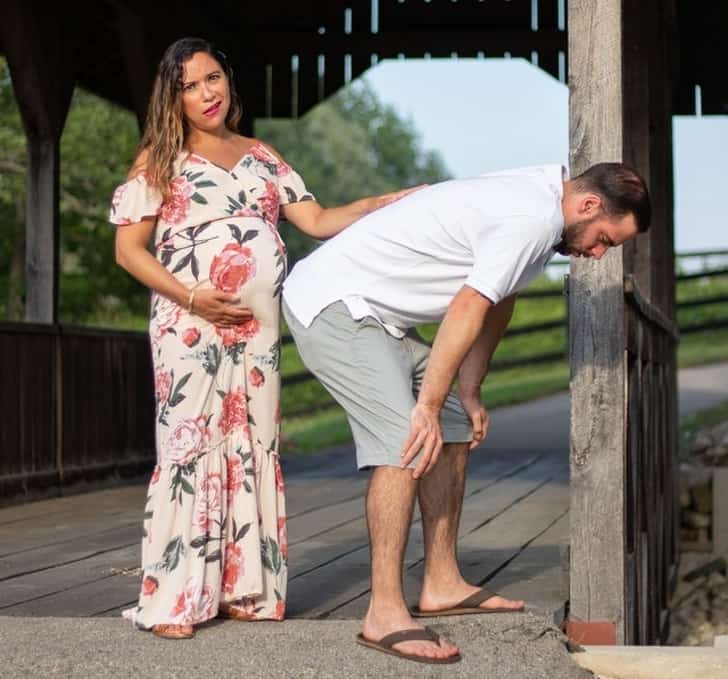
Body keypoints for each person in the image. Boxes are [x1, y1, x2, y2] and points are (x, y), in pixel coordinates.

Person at [109, 36, 417, 640]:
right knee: (190, 446)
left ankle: (243, 590)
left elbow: (316, 220)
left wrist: (383, 203)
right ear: (173, 98)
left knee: (251, 443)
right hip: (189, 323)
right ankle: (175, 599)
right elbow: (128, 250)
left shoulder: (262, 156)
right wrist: (192, 297)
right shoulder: (161, 158)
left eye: (213, 78)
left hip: (255, 331)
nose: (207, 94)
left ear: (228, 79)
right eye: (190, 86)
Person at [282, 162, 651, 664]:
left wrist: (467, 390)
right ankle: (383, 611)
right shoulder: (532, 216)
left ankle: (441, 581)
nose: (599, 253)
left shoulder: (542, 209)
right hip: (333, 304)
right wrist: (426, 407)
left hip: (380, 317)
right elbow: (467, 307)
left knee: (453, 426)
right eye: (605, 238)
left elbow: (499, 301)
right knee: (406, 438)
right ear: (588, 205)